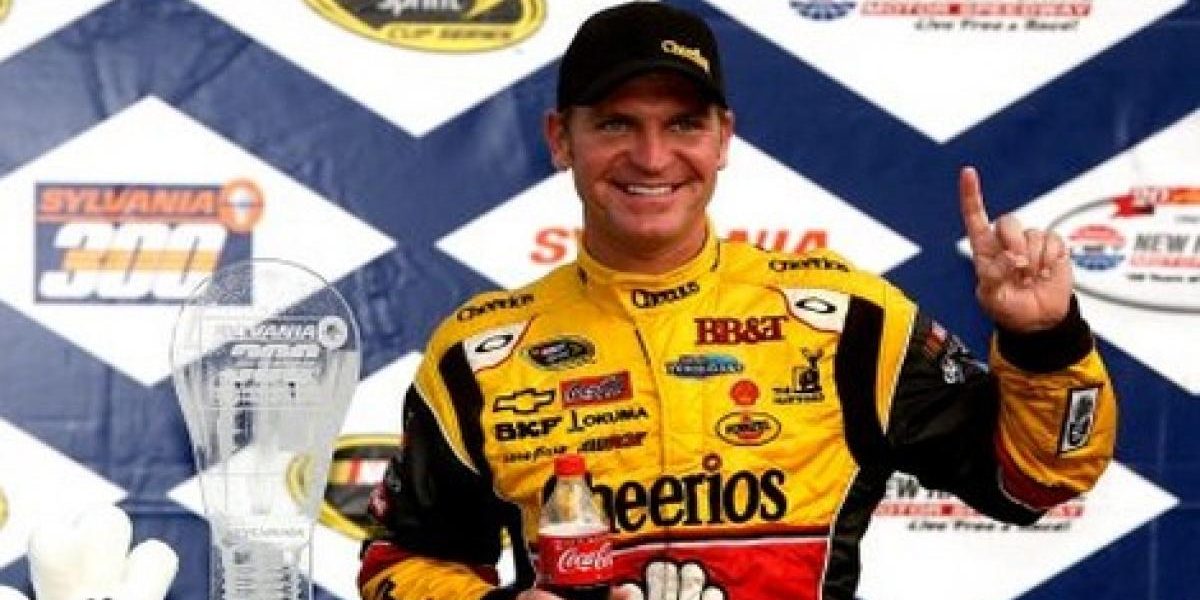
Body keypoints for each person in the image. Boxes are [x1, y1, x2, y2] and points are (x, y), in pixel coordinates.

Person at [357, 3, 1116, 599]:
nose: (652, 156)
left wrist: (1044, 341)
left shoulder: (846, 319)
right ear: (561, 139)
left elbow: (1036, 481)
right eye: (617, 123)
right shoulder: (479, 355)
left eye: (683, 124)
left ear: (724, 139)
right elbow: (402, 561)